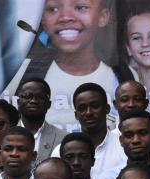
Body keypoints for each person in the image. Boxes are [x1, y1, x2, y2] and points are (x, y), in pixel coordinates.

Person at [26, 0, 123, 131]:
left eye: (81, 7)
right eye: (53, 9)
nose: (66, 17)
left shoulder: (123, 76)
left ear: (103, 16)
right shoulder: (23, 73)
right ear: (43, 19)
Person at [62, 83, 127, 179]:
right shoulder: (63, 150)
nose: (88, 113)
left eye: (95, 106)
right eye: (82, 108)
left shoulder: (124, 147)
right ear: (76, 115)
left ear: (107, 109)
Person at [16, 78, 67, 162]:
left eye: (40, 97)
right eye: (27, 96)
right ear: (18, 102)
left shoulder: (63, 138)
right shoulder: (5, 136)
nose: (33, 101)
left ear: (49, 104)